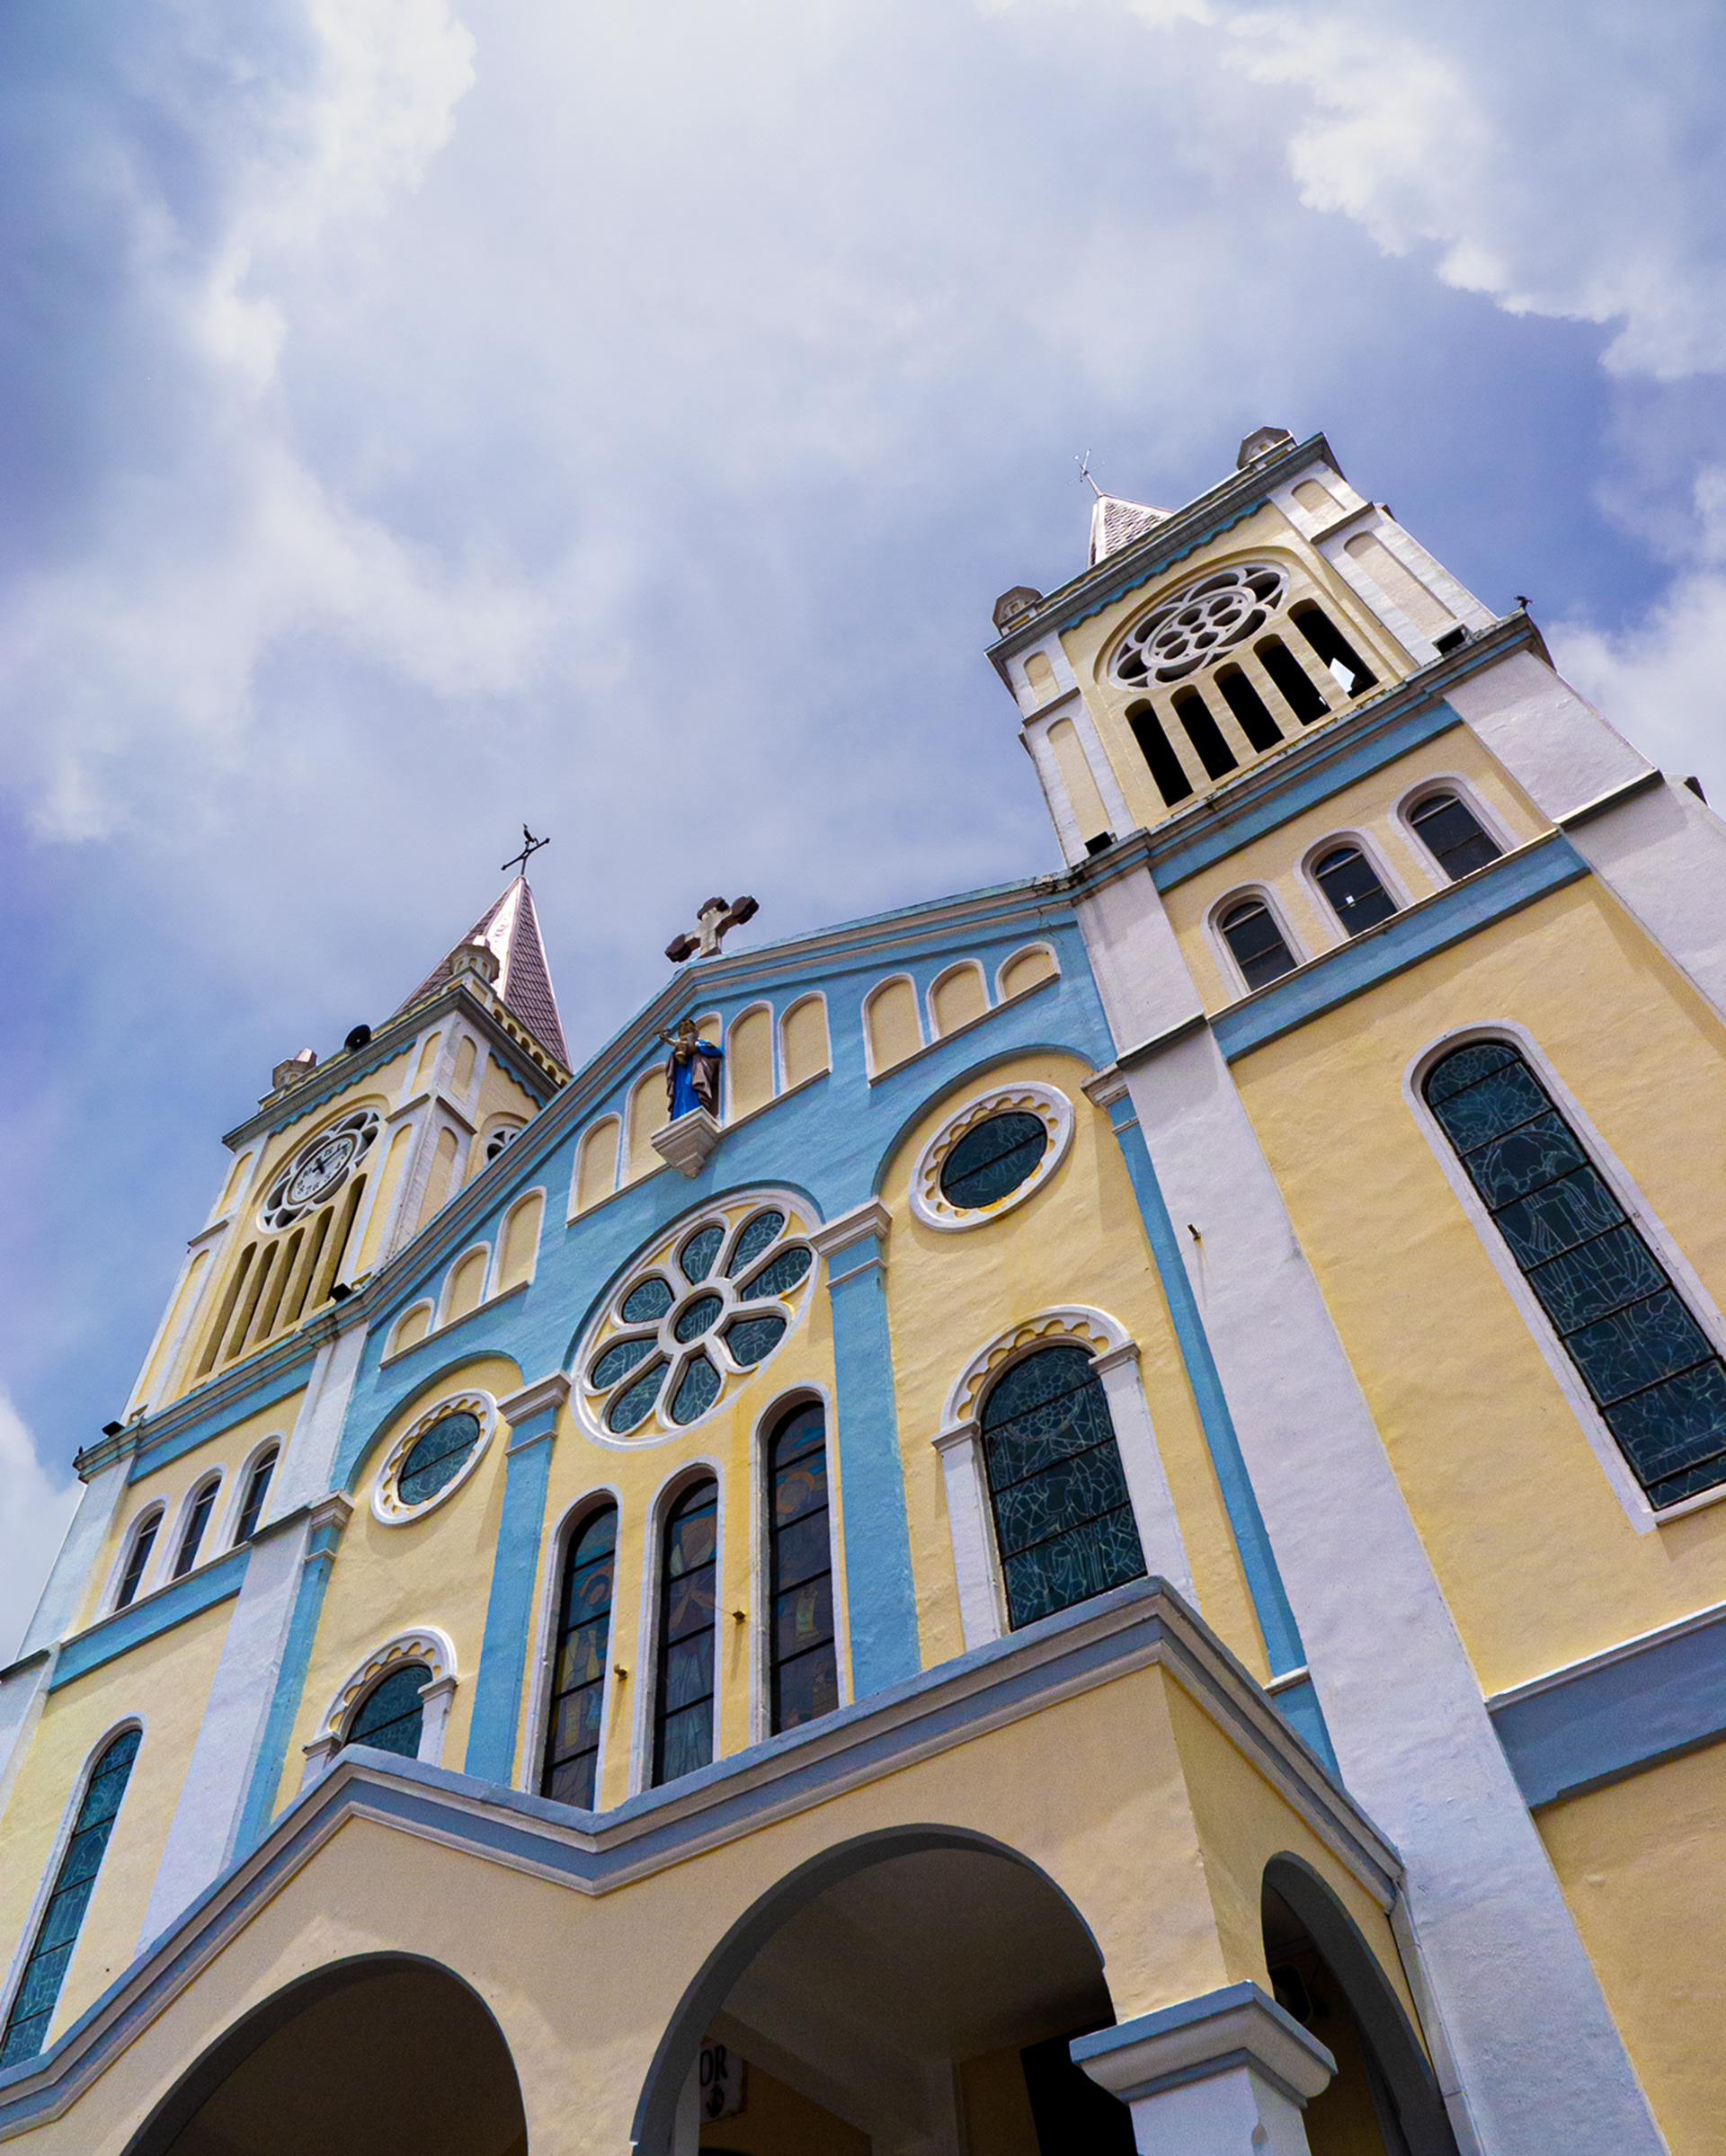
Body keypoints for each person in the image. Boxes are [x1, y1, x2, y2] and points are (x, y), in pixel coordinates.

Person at [658, 1017, 723, 1119]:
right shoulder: (677, 1046)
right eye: (682, 1027)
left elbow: (716, 1052)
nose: (684, 1028)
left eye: (687, 1025)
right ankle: (679, 1116)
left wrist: (696, 1049)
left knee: (692, 1088)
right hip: (681, 1073)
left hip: (694, 1071)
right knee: (680, 1093)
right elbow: (672, 1062)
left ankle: (696, 1109)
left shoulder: (701, 1043)